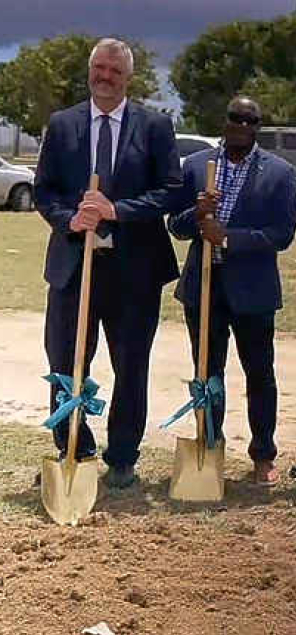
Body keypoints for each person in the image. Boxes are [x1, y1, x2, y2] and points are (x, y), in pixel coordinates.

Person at [33, 38, 182, 488]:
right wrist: (73, 219)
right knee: (64, 361)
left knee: (130, 364)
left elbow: (171, 189)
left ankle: (122, 456)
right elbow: (44, 191)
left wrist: (118, 210)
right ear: (90, 71)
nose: (105, 77)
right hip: (73, 267)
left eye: (115, 71)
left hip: (133, 269)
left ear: (128, 77)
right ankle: (73, 447)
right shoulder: (63, 125)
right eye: (99, 68)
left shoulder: (155, 127)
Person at [168, 96, 296, 484]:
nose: (241, 125)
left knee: (260, 373)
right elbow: (175, 225)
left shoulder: (279, 173)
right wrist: (197, 213)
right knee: (207, 372)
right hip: (204, 287)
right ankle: (210, 445)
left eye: (250, 120)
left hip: (252, 290)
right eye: (235, 118)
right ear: (223, 122)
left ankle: (263, 455)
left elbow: (282, 234)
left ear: (258, 126)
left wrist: (228, 238)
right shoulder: (195, 167)